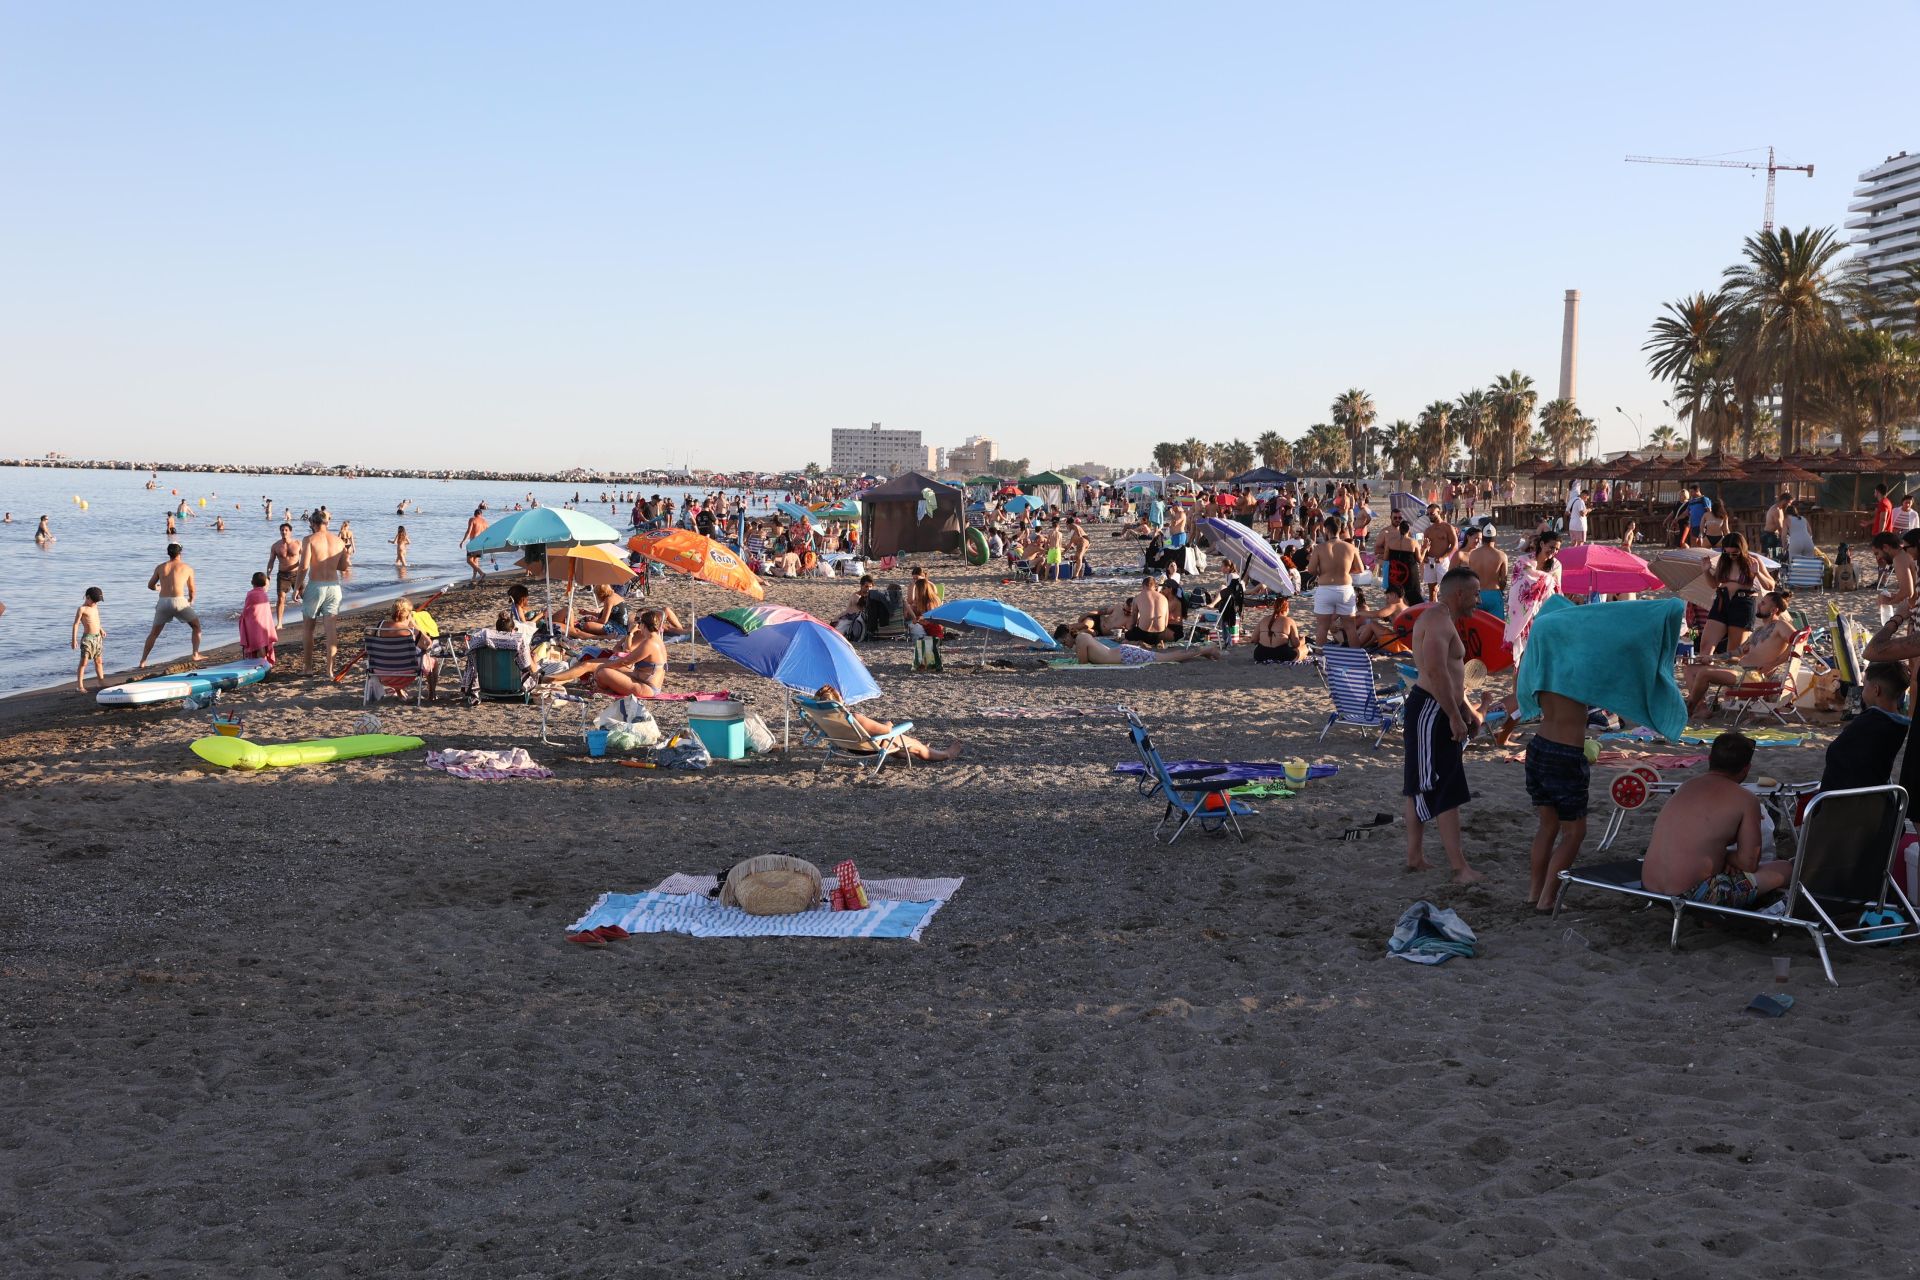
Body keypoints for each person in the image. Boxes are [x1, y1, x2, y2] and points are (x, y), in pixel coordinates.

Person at [1641, 732, 1790, 907]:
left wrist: (1719, 856)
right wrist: (1727, 857)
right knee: (1786, 868)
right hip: (1691, 895)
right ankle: (1710, 917)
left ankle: (1708, 918)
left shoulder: (1685, 786)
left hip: (1649, 886)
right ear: (1746, 768)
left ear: (1710, 759)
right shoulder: (1746, 799)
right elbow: (1749, 863)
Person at [1404, 567, 1485, 884]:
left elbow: (1451, 676)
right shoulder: (1438, 620)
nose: (1479, 599)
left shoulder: (1441, 618)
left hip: (1434, 705)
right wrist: (1452, 714)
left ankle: (1414, 857)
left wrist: (1466, 709)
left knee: (1420, 781)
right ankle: (1460, 869)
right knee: (1445, 784)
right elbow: (1436, 670)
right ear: (1460, 594)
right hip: (1430, 707)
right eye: (1476, 593)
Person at [1681, 590, 1796, 718]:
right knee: (1690, 669)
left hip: (1753, 677)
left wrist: (1773, 664)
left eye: (1763, 604)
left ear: (1774, 610)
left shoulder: (1780, 625)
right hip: (1739, 671)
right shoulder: (1759, 630)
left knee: (1704, 673)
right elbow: (1737, 652)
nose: (1758, 605)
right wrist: (1711, 657)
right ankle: (1700, 708)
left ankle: (1689, 708)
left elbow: (1798, 640)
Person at [1525, 691, 1591, 912]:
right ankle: (1547, 899)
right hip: (1565, 753)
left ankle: (1535, 894)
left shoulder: (1544, 662)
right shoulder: (1576, 664)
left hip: (1538, 746)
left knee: (1547, 825)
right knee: (1574, 833)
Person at [1817, 661, 1908, 793]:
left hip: (1844, 801)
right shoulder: (1899, 724)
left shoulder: (1868, 723)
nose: (1862, 691)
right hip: (1876, 797)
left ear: (1876, 690)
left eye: (1864, 686)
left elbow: (1835, 753)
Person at [539, 607, 670, 698]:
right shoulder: (655, 640)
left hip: (647, 688)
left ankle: (549, 679)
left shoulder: (650, 642)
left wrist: (603, 666)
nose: (636, 623)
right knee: (592, 666)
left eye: (638, 621)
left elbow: (626, 660)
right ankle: (550, 679)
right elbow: (620, 651)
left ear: (643, 625)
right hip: (641, 679)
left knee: (601, 671)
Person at [812, 683, 965, 759]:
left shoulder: (821, 717)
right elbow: (886, 731)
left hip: (846, 746)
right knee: (914, 744)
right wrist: (889, 723)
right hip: (867, 746)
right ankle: (946, 754)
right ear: (839, 700)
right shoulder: (855, 717)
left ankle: (918, 749)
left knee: (902, 743)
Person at [1699, 531, 1775, 658]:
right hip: (1722, 602)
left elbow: (1770, 585)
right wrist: (1706, 571)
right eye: (1726, 552)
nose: (1730, 556)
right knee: (1705, 648)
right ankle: (1708, 675)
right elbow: (1713, 584)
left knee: (1733, 653)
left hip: (1742, 604)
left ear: (1742, 550)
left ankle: (1725, 676)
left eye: (1734, 553)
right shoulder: (1723, 561)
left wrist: (1757, 574)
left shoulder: (1752, 561)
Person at [299, 511, 350, 677]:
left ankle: (308, 668)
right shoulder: (339, 541)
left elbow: (304, 566)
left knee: (308, 628)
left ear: (313, 523)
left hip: (316, 586)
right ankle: (329, 669)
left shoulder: (309, 539)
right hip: (334, 587)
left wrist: (297, 587)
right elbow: (343, 567)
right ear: (327, 523)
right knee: (331, 630)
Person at [137, 543, 203, 667]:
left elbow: (150, 585)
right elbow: (192, 589)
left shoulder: (160, 567)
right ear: (180, 553)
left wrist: (158, 588)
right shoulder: (187, 568)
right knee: (196, 627)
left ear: (168, 553)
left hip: (163, 602)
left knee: (154, 633)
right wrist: (191, 600)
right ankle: (195, 654)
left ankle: (143, 661)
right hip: (179, 601)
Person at [1307, 515, 1363, 646]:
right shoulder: (1350, 547)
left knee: (1322, 627)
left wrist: (1321, 572)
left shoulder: (1319, 548)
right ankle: (1357, 658)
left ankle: (1320, 656)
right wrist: (1346, 571)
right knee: (1350, 627)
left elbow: (1311, 570)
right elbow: (1360, 568)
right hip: (1345, 589)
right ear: (1340, 529)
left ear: (1326, 529)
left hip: (1325, 589)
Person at [374, 597, 440, 701]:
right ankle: (432, 695)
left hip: (381, 671)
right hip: (406, 672)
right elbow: (428, 644)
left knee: (393, 657)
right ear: (408, 614)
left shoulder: (380, 626)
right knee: (433, 662)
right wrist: (414, 626)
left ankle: (399, 693)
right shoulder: (409, 631)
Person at [1059, 625, 1223, 666]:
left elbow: (1082, 663)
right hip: (1124, 653)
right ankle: (1203, 652)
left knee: (1167, 657)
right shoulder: (1082, 637)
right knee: (1166, 656)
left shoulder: (1080, 639)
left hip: (1126, 655)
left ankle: (1205, 649)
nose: (1065, 645)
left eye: (1064, 641)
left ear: (1067, 635)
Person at [1378, 514, 1421, 607]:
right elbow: (1419, 560)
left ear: (1399, 529)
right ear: (1409, 530)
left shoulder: (1390, 541)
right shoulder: (1413, 542)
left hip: (1395, 572)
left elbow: (1385, 558)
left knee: (1395, 595)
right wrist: (1425, 548)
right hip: (1409, 573)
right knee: (1412, 596)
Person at [1466, 527, 1510, 619]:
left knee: (1477, 628)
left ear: (1483, 538)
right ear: (1494, 538)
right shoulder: (1502, 555)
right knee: (1496, 628)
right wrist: (1500, 591)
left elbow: (1470, 576)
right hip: (1494, 593)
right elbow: (1503, 580)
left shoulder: (1473, 554)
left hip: (1477, 594)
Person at [1873, 532, 1917, 623]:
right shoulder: (1905, 554)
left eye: (1877, 553)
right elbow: (1913, 588)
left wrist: (1888, 602)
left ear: (1885, 547)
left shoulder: (1898, 558)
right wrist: (1894, 597)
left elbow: (1908, 592)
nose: (1877, 558)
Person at [264, 522, 301, 627]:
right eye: (282, 530)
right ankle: (279, 623)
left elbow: (306, 560)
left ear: (290, 532)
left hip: (297, 574)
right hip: (283, 575)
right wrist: (268, 576)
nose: (283, 532)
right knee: (281, 598)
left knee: (305, 596)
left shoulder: (298, 543)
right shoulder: (276, 546)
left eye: (286, 530)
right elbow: (271, 561)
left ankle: (311, 617)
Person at [1419, 504, 1457, 602]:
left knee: (1445, 589)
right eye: (1428, 514)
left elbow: (1454, 545)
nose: (1430, 516)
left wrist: (1443, 557)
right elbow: (1425, 546)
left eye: (1432, 513)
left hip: (1442, 561)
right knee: (1432, 590)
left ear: (1438, 512)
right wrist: (1425, 556)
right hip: (1430, 562)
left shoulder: (1447, 527)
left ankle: (1446, 610)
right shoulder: (1428, 530)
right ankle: (1433, 610)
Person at [71, 587, 106, 692]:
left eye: (97, 601)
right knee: (84, 662)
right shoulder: (82, 609)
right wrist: (74, 640)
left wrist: (101, 629)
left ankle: (101, 681)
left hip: (97, 638)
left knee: (99, 660)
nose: (95, 603)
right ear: (87, 597)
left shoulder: (95, 606)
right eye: (94, 601)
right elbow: (76, 624)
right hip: (88, 639)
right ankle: (80, 686)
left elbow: (96, 620)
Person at [239, 571, 278, 665]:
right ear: (265, 584)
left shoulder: (250, 594)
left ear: (252, 582)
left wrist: (242, 618)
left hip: (254, 624)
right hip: (265, 623)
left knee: (258, 645)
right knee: (262, 644)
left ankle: (263, 665)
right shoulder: (264, 594)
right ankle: (263, 664)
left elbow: (247, 610)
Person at [1250, 599, 1306, 663]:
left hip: (1260, 655)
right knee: (1304, 649)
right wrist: (1302, 641)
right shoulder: (1289, 621)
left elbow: (1253, 639)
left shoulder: (1264, 619)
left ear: (1274, 607)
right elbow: (1295, 644)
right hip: (1281, 654)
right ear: (1287, 609)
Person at [1124, 573, 1173, 645]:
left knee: (1127, 635)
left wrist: (1131, 631)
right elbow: (1166, 622)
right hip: (1161, 635)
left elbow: (1133, 621)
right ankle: (1160, 642)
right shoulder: (1164, 598)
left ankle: (1139, 642)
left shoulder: (1137, 598)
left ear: (1143, 586)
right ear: (1154, 586)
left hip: (1144, 634)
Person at [462, 505, 489, 584]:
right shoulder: (485, 522)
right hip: (481, 543)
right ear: (481, 514)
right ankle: (474, 578)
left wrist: (463, 541)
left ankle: (481, 573)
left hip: (474, 542)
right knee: (475, 560)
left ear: (474, 514)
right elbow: (488, 533)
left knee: (469, 560)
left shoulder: (472, 519)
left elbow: (469, 531)